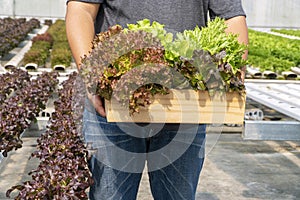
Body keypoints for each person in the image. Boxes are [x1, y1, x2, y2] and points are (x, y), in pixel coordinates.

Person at [65, 1, 248, 199]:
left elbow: (231, 17)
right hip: (113, 106)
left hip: (186, 108)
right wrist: (91, 75)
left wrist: (233, 73)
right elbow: (81, 9)